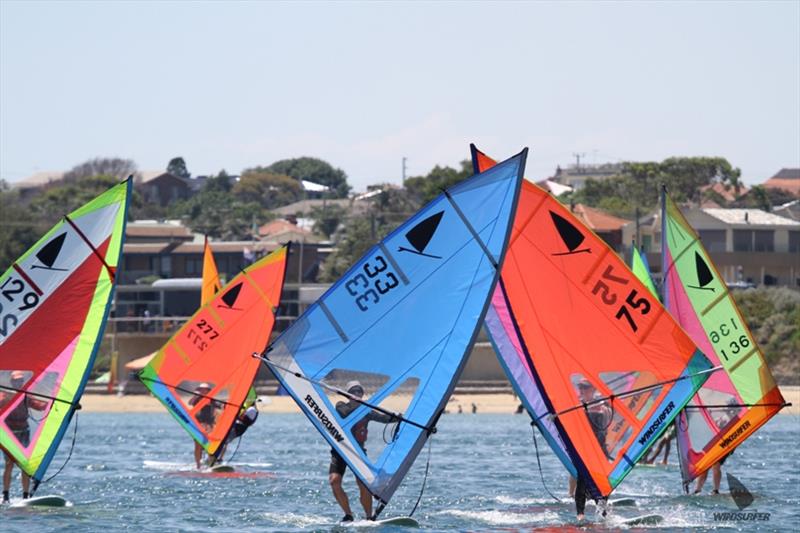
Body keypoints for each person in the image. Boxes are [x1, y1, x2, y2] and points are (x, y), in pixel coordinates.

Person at [330, 381, 397, 522]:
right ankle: (348, 515)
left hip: (358, 453)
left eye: (359, 391)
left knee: (364, 484)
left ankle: (369, 517)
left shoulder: (367, 411)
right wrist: (362, 406)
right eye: (353, 392)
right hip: (340, 451)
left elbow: (384, 418)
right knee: (334, 481)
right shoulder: (341, 406)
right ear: (348, 395)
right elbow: (344, 413)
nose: (357, 394)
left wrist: (398, 417)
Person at [1, 371, 47, 503]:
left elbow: (41, 407)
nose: (18, 384)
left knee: (24, 464)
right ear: (11, 383)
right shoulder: (5, 397)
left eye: (20, 382)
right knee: (9, 464)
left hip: (24, 431)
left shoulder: (26, 397)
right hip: (9, 434)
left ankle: (26, 495)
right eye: (16, 382)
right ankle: (6, 495)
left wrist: (57, 403)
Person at [571, 379, 611, 521]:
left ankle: (603, 514)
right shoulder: (576, 406)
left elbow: (606, 427)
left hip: (600, 451)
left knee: (602, 484)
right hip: (585, 450)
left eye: (585, 388)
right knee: (582, 480)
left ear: (593, 389)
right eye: (580, 387)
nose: (582, 390)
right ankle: (580, 515)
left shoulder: (603, 407)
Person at [188, 382, 220, 469]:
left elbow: (219, 406)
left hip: (209, 425)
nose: (203, 391)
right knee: (197, 445)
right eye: (201, 389)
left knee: (210, 444)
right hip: (198, 425)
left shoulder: (212, 400)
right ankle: (198, 465)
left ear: (208, 391)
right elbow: (190, 403)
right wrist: (196, 395)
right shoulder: (196, 399)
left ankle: (211, 462)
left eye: (205, 390)